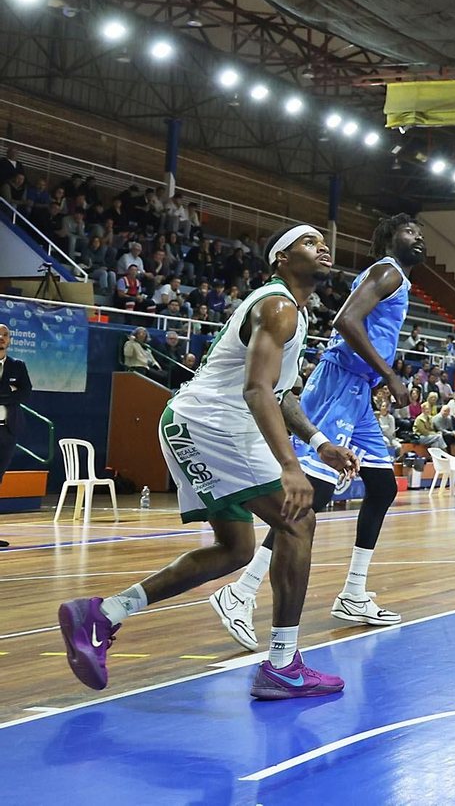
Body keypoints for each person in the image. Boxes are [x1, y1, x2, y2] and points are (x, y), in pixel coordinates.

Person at [57, 225, 357, 699]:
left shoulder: (293, 312)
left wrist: (318, 443)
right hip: (212, 425)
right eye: (308, 241)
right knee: (298, 522)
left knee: (236, 550)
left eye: (324, 242)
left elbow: (281, 395)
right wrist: (290, 466)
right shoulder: (277, 306)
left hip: (199, 423)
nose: (322, 248)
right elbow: (256, 390)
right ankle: (283, 665)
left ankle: (102, 614)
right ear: (280, 258)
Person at [210, 215, 427, 645]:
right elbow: (346, 321)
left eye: (421, 234)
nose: (418, 238)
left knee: (382, 486)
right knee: (316, 492)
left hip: (357, 388)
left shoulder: (395, 277)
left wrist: (375, 378)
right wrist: (390, 375)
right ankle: (240, 591)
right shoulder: (387, 270)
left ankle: (353, 593)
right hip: (340, 382)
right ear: (388, 238)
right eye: (409, 232)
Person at [0, 324, 32, 548]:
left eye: (5, 335)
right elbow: (14, 393)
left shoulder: (17, 366)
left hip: (7, 430)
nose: (1, 338)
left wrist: (4, 396)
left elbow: (25, 393)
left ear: (10, 340)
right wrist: (8, 393)